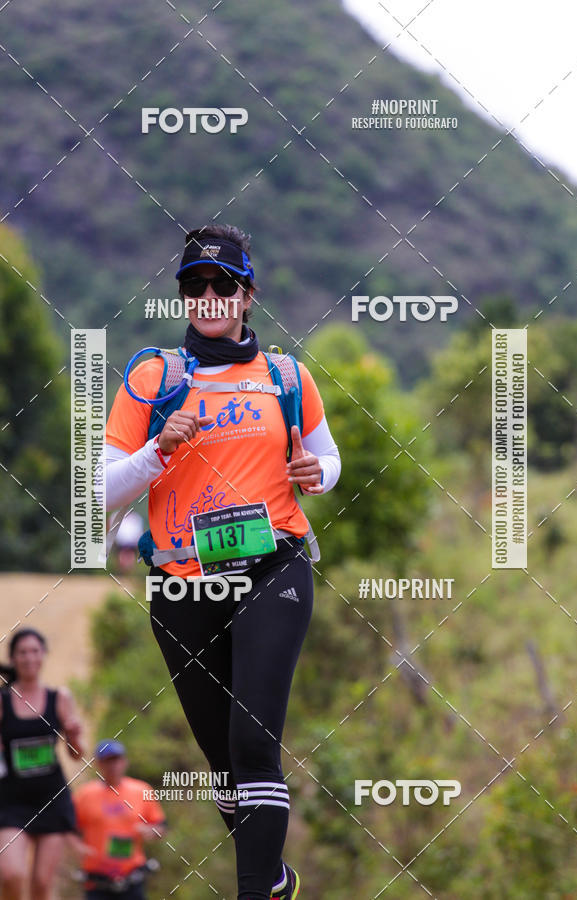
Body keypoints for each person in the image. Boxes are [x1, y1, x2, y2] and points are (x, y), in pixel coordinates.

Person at [104, 224, 341, 899]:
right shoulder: (153, 378)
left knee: (252, 744)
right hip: (183, 583)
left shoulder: (287, 376)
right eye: (194, 285)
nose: (209, 296)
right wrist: (157, 451)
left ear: (247, 294)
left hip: (273, 566)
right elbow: (95, 491)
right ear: (183, 296)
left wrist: (316, 473)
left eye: (223, 284)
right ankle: (273, 881)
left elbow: (330, 459)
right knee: (223, 766)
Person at [0, 627, 84, 900]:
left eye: (35, 651)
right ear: (12, 658)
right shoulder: (2, 701)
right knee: (11, 874)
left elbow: (75, 754)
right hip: (11, 802)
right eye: (22, 652)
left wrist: (73, 735)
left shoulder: (59, 697)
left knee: (41, 885)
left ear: (44, 655)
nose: (29, 658)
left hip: (52, 799)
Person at [72, 740, 165, 899]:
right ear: (98, 764)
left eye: (117, 759)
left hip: (132, 877)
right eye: (108, 760)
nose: (113, 765)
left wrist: (152, 831)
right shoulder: (84, 795)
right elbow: (68, 829)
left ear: (124, 761)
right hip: (96, 879)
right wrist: (77, 846)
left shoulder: (141, 790)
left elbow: (161, 826)